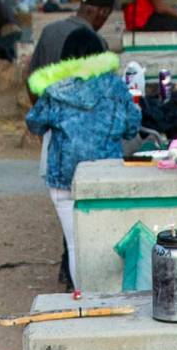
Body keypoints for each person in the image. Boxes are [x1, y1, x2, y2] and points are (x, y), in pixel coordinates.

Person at [26, 30, 141, 287]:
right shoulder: (114, 86)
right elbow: (133, 126)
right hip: (107, 177)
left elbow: (34, 123)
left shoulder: (55, 89)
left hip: (63, 179)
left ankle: (84, 301)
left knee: (76, 244)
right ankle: (108, 300)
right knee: (107, 243)